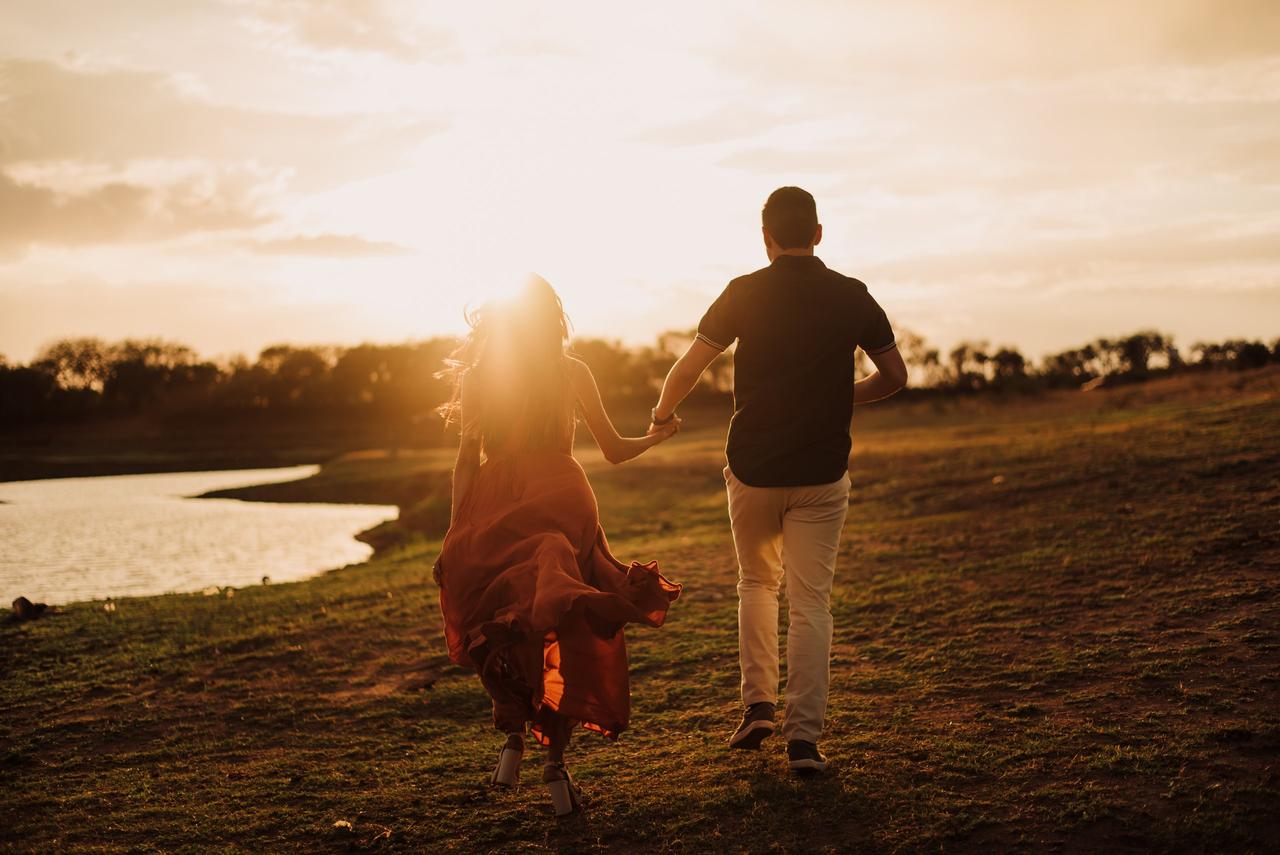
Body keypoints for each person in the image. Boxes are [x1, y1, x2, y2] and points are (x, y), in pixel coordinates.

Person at [649, 186, 907, 774]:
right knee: (812, 602)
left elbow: (688, 368)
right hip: (822, 471)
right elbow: (895, 375)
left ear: (766, 239)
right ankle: (805, 743)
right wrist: (841, 398)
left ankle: (757, 706)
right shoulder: (851, 295)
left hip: (754, 468)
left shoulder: (744, 292)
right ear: (818, 233)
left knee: (756, 585)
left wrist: (662, 417)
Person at [434, 275, 682, 816]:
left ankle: (514, 738)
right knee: (562, 620)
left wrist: (458, 530)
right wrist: (656, 436)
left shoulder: (480, 377)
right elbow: (613, 451)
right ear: (552, 317)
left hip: (497, 499)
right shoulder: (572, 370)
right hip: (565, 500)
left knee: (499, 618)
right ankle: (554, 765)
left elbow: (464, 462)